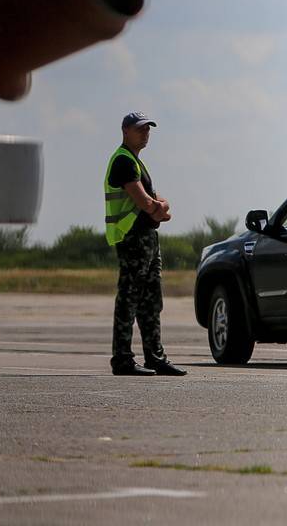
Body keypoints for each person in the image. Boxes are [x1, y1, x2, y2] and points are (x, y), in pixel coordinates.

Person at [103, 112, 187, 376]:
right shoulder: (124, 161)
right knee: (129, 297)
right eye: (140, 129)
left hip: (147, 239)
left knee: (151, 300)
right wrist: (158, 209)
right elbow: (145, 201)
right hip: (132, 238)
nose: (145, 133)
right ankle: (123, 359)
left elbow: (157, 201)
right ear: (125, 130)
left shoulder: (137, 162)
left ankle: (155, 356)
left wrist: (159, 208)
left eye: (148, 129)